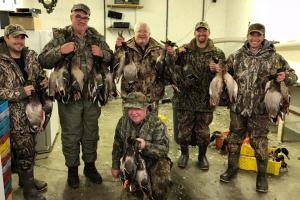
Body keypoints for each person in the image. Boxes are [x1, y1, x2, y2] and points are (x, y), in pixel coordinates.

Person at [38, 3, 113, 189]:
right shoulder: (61, 36)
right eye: (78, 16)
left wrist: (102, 53)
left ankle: (89, 166)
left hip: (92, 95)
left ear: (88, 19)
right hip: (69, 96)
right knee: (71, 134)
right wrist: (60, 51)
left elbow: (111, 56)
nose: (82, 20)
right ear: (71, 17)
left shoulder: (96, 36)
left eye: (85, 17)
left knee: (90, 133)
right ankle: (72, 170)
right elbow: (42, 59)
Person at [219, 23, 298, 193]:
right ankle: (232, 169)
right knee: (234, 139)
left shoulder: (274, 57)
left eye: (258, 35)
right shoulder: (237, 56)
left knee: (259, 142)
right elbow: (224, 72)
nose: (255, 38)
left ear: (263, 37)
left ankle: (261, 176)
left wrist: (286, 77)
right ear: (247, 36)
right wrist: (219, 69)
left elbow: (293, 75)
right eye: (252, 35)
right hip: (238, 108)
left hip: (260, 110)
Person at [0, 24, 50, 200]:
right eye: (15, 37)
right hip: (14, 114)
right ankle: (29, 191)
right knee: (24, 150)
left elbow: (39, 74)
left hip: (33, 110)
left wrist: (44, 80)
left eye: (22, 37)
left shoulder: (30, 55)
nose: (19, 41)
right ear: (6, 38)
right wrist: (20, 92)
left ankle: (25, 180)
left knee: (30, 147)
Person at [172, 21, 225, 169]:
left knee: (203, 131)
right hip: (185, 98)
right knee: (184, 130)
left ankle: (202, 157)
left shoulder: (217, 53)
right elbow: (171, 64)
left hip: (205, 98)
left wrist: (219, 69)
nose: (201, 34)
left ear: (209, 33)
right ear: (195, 33)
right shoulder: (185, 50)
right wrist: (174, 53)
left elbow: (225, 73)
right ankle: (184, 155)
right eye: (198, 31)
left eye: (204, 31)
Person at [111, 92, 172, 200]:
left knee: (160, 186)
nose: (133, 113)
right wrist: (115, 165)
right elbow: (117, 144)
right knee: (131, 193)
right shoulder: (123, 121)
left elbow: (164, 150)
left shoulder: (157, 124)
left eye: (137, 108)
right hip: (132, 162)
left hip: (154, 162)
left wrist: (146, 146)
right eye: (130, 108)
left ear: (146, 108)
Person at [114, 22, 174, 114]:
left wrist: (171, 55)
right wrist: (117, 48)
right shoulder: (125, 48)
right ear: (134, 33)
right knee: (129, 126)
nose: (142, 34)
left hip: (151, 99)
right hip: (130, 98)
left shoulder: (160, 49)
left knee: (151, 126)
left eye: (145, 31)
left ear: (149, 34)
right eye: (139, 31)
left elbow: (168, 72)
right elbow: (115, 67)